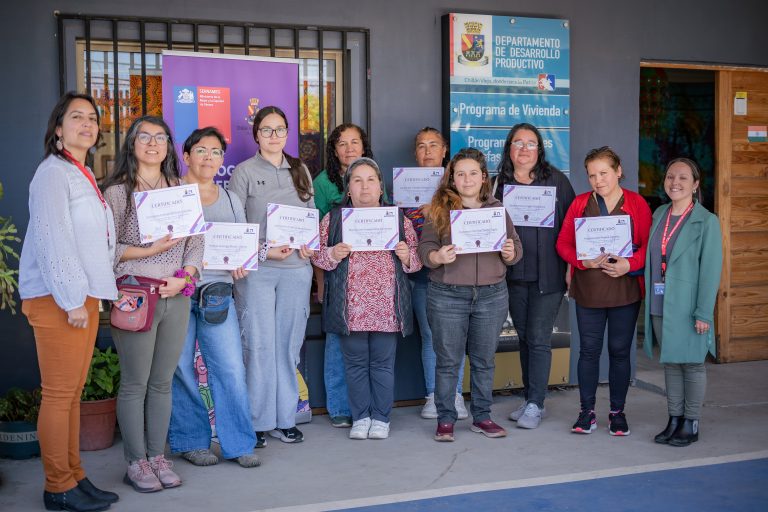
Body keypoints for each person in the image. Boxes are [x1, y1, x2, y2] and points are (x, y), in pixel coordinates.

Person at [19, 92, 120, 511]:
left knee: (73, 393)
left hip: (82, 297)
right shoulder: (52, 174)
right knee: (60, 394)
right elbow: (52, 236)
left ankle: (75, 476)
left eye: (93, 118)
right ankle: (57, 486)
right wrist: (71, 297)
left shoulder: (81, 174)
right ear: (58, 128)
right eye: (76, 117)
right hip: (59, 299)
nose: (87, 124)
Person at [102, 116, 204, 492]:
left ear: (168, 146)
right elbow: (103, 248)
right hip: (134, 295)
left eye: (160, 137)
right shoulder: (116, 192)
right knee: (134, 383)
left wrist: (186, 276)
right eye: (144, 137)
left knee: (162, 383)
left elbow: (196, 242)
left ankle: (158, 457)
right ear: (132, 144)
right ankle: (136, 461)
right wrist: (148, 250)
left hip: (174, 294)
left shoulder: (180, 188)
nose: (152, 143)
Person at [168, 127, 259, 468]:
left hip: (217, 293)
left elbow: (241, 244)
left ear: (223, 160)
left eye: (216, 152)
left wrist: (241, 264)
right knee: (180, 368)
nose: (209, 157)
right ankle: (191, 441)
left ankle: (238, 444)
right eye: (202, 150)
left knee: (231, 369)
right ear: (186, 155)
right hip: (176, 293)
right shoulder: (170, 193)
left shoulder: (231, 199)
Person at [312, 157, 422, 439]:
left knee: (383, 364)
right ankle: (361, 417)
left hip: (387, 305)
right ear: (348, 188)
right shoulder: (334, 219)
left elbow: (418, 262)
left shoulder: (397, 219)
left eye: (370, 180)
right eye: (357, 180)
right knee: (355, 364)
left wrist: (407, 255)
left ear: (380, 187)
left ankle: (382, 418)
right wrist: (332, 254)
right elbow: (317, 257)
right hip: (351, 306)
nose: (364, 187)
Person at [418, 148, 522, 442]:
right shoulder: (439, 210)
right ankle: (446, 418)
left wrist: (511, 253)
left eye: (473, 173)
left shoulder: (497, 210)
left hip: (491, 295)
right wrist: (437, 256)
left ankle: (482, 416)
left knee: (484, 360)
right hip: (447, 296)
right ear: (452, 178)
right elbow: (424, 249)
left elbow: (515, 247)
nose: (467, 179)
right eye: (460, 174)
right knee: (448, 361)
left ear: (483, 177)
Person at [229, 106, 315, 447]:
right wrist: (264, 248)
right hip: (259, 272)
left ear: (287, 133)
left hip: (296, 271)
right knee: (260, 346)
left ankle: (285, 418)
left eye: (280, 129)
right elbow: (235, 226)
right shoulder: (244, 172)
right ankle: (259, 422)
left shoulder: (300, 170)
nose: (274, 136)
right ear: (256, 135)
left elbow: (309, 217)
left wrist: (308, 246)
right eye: (267, 130)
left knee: (287, 346)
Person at [556, 146, 652, 436]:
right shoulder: (580, 204)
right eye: (592, 175)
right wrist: (580, 261)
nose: (598, 180)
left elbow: (648, 247)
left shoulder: (636, 203)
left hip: (624, 288)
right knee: (588, 352)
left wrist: (629, 263)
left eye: (604, 173)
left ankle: (617, 412)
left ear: (618, 170)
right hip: (589, 289)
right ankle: (586, 413)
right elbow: (562, 243)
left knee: (620, 351)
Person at [493, 123, 575, 429]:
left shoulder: (556, 181)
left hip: (548, 275)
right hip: (513, 275)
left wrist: (571, 268)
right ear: (509, 149)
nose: (524, 149)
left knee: (539, 338)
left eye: (531, 144)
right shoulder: (497, 184)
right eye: (518, 143)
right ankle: (529, 398)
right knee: (524, 338)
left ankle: (537, 404)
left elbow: (572, 227)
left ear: (539, 149)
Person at [644, 158, 722, 447]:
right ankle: (674, 419)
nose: (675, 182)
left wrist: (704, 312)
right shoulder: (659, 214)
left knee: (691, 364)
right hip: (660, 302)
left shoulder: (707, 221)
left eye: (683, 178)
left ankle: (691, 422)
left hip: (689, 308)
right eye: (670, 176)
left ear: (696, 184)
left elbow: (711, 271)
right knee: (671, 364)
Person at [312, 123, 375, 428]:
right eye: (342, 143)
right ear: (333, 149)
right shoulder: (323, 183)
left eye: (355, 142)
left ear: (364, 147)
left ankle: (367, 408)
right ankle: (338, 407)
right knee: (337, 341)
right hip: (337, 274)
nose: (349, 148)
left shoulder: (375, 177)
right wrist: (321, 282)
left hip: (372, 278)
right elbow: (318, 239)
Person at [404, 127, 468, 421]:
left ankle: (455, 395)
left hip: (457, 272)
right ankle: (433, 396)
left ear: (445, 151)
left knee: (456, 337)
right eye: (421, 146)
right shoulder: (402, 188)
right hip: (421, 275)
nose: (427, 151)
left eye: (433, 145)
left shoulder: (460, 185)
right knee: (431, 336)